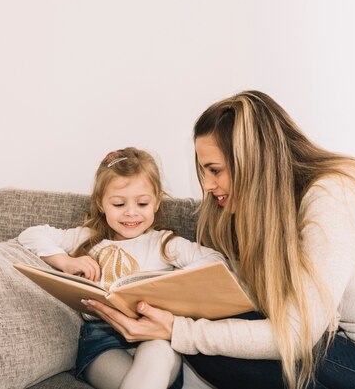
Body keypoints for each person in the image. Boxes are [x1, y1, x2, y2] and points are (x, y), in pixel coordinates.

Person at [83, 91, 355, 389]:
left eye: (215, 169)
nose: (208, 185)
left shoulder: (332, 196)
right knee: (208, 344)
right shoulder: (278, 211)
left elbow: (296, 334)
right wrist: (178, 317)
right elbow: (292, 320)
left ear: (251, 161)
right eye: (204, 171)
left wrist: (178, 328)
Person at [18, 147, 227, 389]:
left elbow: (216, 260)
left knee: (158, 354)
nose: (131, 213)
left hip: (154, 336)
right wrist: (66, 262)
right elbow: (31, 235)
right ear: (101, 203)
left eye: (142, 203)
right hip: (102, 340)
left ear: (157, 202)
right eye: (118, 204)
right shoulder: (88, 239)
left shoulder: (164, 243)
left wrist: (174, 284)